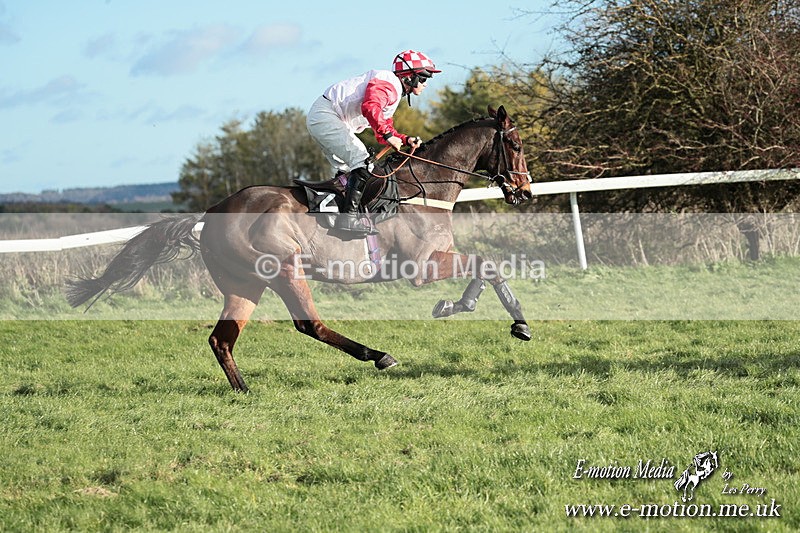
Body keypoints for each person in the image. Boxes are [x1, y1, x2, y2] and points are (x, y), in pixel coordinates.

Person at [306, 50, 441, 235]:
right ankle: (348, 220)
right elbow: (370, 107)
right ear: (409, 77)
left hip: (327, 118)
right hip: (326, 116)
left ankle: (337, 213)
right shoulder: (389, 84)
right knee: (362, 162)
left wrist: (404, 139)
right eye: (424, 79)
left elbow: (383, 125)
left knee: (349, 171)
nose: (425, 84)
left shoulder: (392, 90)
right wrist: (387, 135)